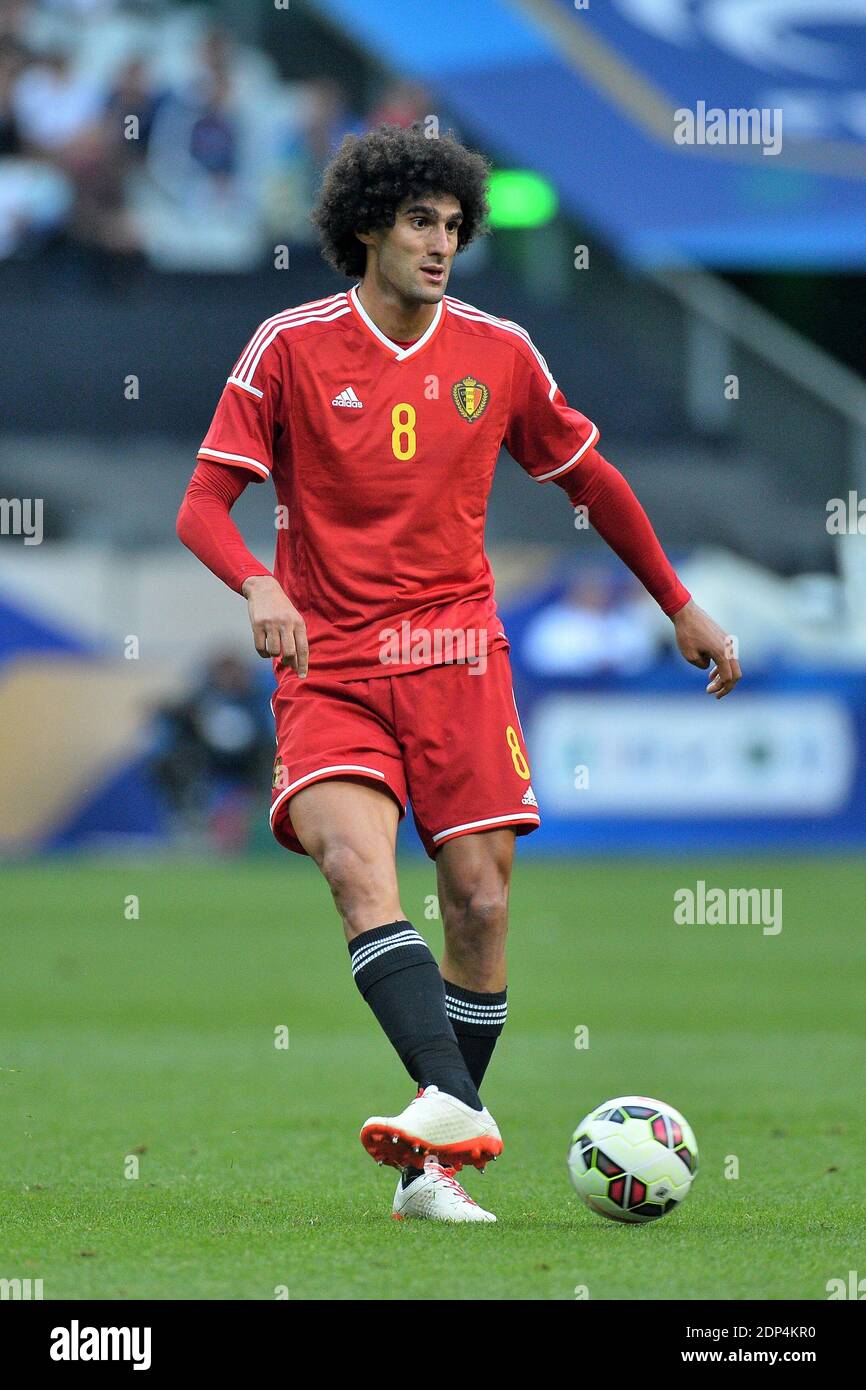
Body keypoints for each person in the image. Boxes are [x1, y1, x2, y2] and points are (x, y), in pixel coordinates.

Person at [176, 124, 741, 1224]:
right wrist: (256, 581)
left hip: (457, 662)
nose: (440, 245)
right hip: (330, 666)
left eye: (451, 225)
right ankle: (453, 1111)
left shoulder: (500, 352)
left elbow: (593, 480)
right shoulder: (288, 346)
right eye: (418, 223)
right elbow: (203, 504)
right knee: (354, 867)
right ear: (365, 230)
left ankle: (429, 1165)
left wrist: (678, 602)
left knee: (477, 904)